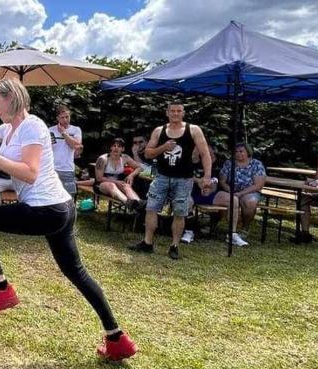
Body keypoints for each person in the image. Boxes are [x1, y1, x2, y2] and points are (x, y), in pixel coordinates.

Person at [0, 78, 138, 361]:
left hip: (47, 210)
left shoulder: (32, 126)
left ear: (13, 99)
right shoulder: (8, 128)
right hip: (59, 208)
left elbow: (30, 173)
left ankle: (1, 288)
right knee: (77, 273)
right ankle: (117, 338)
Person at [128, 102, 212, 260]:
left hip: (184, 178)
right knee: (151, 208)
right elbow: (147, 154)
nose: (175, 114)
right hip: (162, 176)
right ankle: (147, 242)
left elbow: (205, 154)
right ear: (167, 113)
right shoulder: (159, 131)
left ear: (183, 113)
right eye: (172, 111)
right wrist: (163, 148)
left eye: (178, 111)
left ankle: (174, 246)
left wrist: (207, 176)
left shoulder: (193, 130)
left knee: (180, 212)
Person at [182, 144, 241, 244]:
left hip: (211, 194)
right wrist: (199, 181)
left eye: (211, 152)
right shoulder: (193, 162)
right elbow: (184, 176)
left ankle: (232, 234)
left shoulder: (218, 165)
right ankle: (189, 231)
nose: (209, 155)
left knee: (234, 200)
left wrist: (210, 189)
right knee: (187, 202)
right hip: (192, 193)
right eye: (205, 152)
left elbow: (217, 181)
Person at [218, 143, 266, 245]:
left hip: (249, 191)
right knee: (224, 199)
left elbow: (258, 185)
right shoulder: (229, 163)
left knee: (250, 202)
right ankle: (227, 228)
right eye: (236, 152)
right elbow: (222, 181)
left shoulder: (256, 164)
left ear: (247, 152)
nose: (238, 154)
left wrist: (241, 193)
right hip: (231, 191)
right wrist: (231, 191)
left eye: (241, 151)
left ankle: (245, 228)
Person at [93, 138, 143, 210]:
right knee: (111, 185)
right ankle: (127, 202)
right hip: (101, 184)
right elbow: (99, 178)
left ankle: (139, 204)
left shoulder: (125, 157)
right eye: (114, 146)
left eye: (119, 146)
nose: (116, 148)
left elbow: (139, 168)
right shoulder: (103, 159)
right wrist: (116, 182)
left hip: (118, 183)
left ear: (123, 149)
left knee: (126, 186)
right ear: (111, 147)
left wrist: (131, 175)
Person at [48, 104, 82, 198]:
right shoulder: (50, 130)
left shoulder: (76, 130)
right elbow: (46, 149)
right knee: (52, 197)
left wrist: (64, 133)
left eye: (67, 117)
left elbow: (77, 145)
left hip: (67, 169)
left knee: (68, 197)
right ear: (57, 118)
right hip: (52, 169)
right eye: (62, 118)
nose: (65, 120)